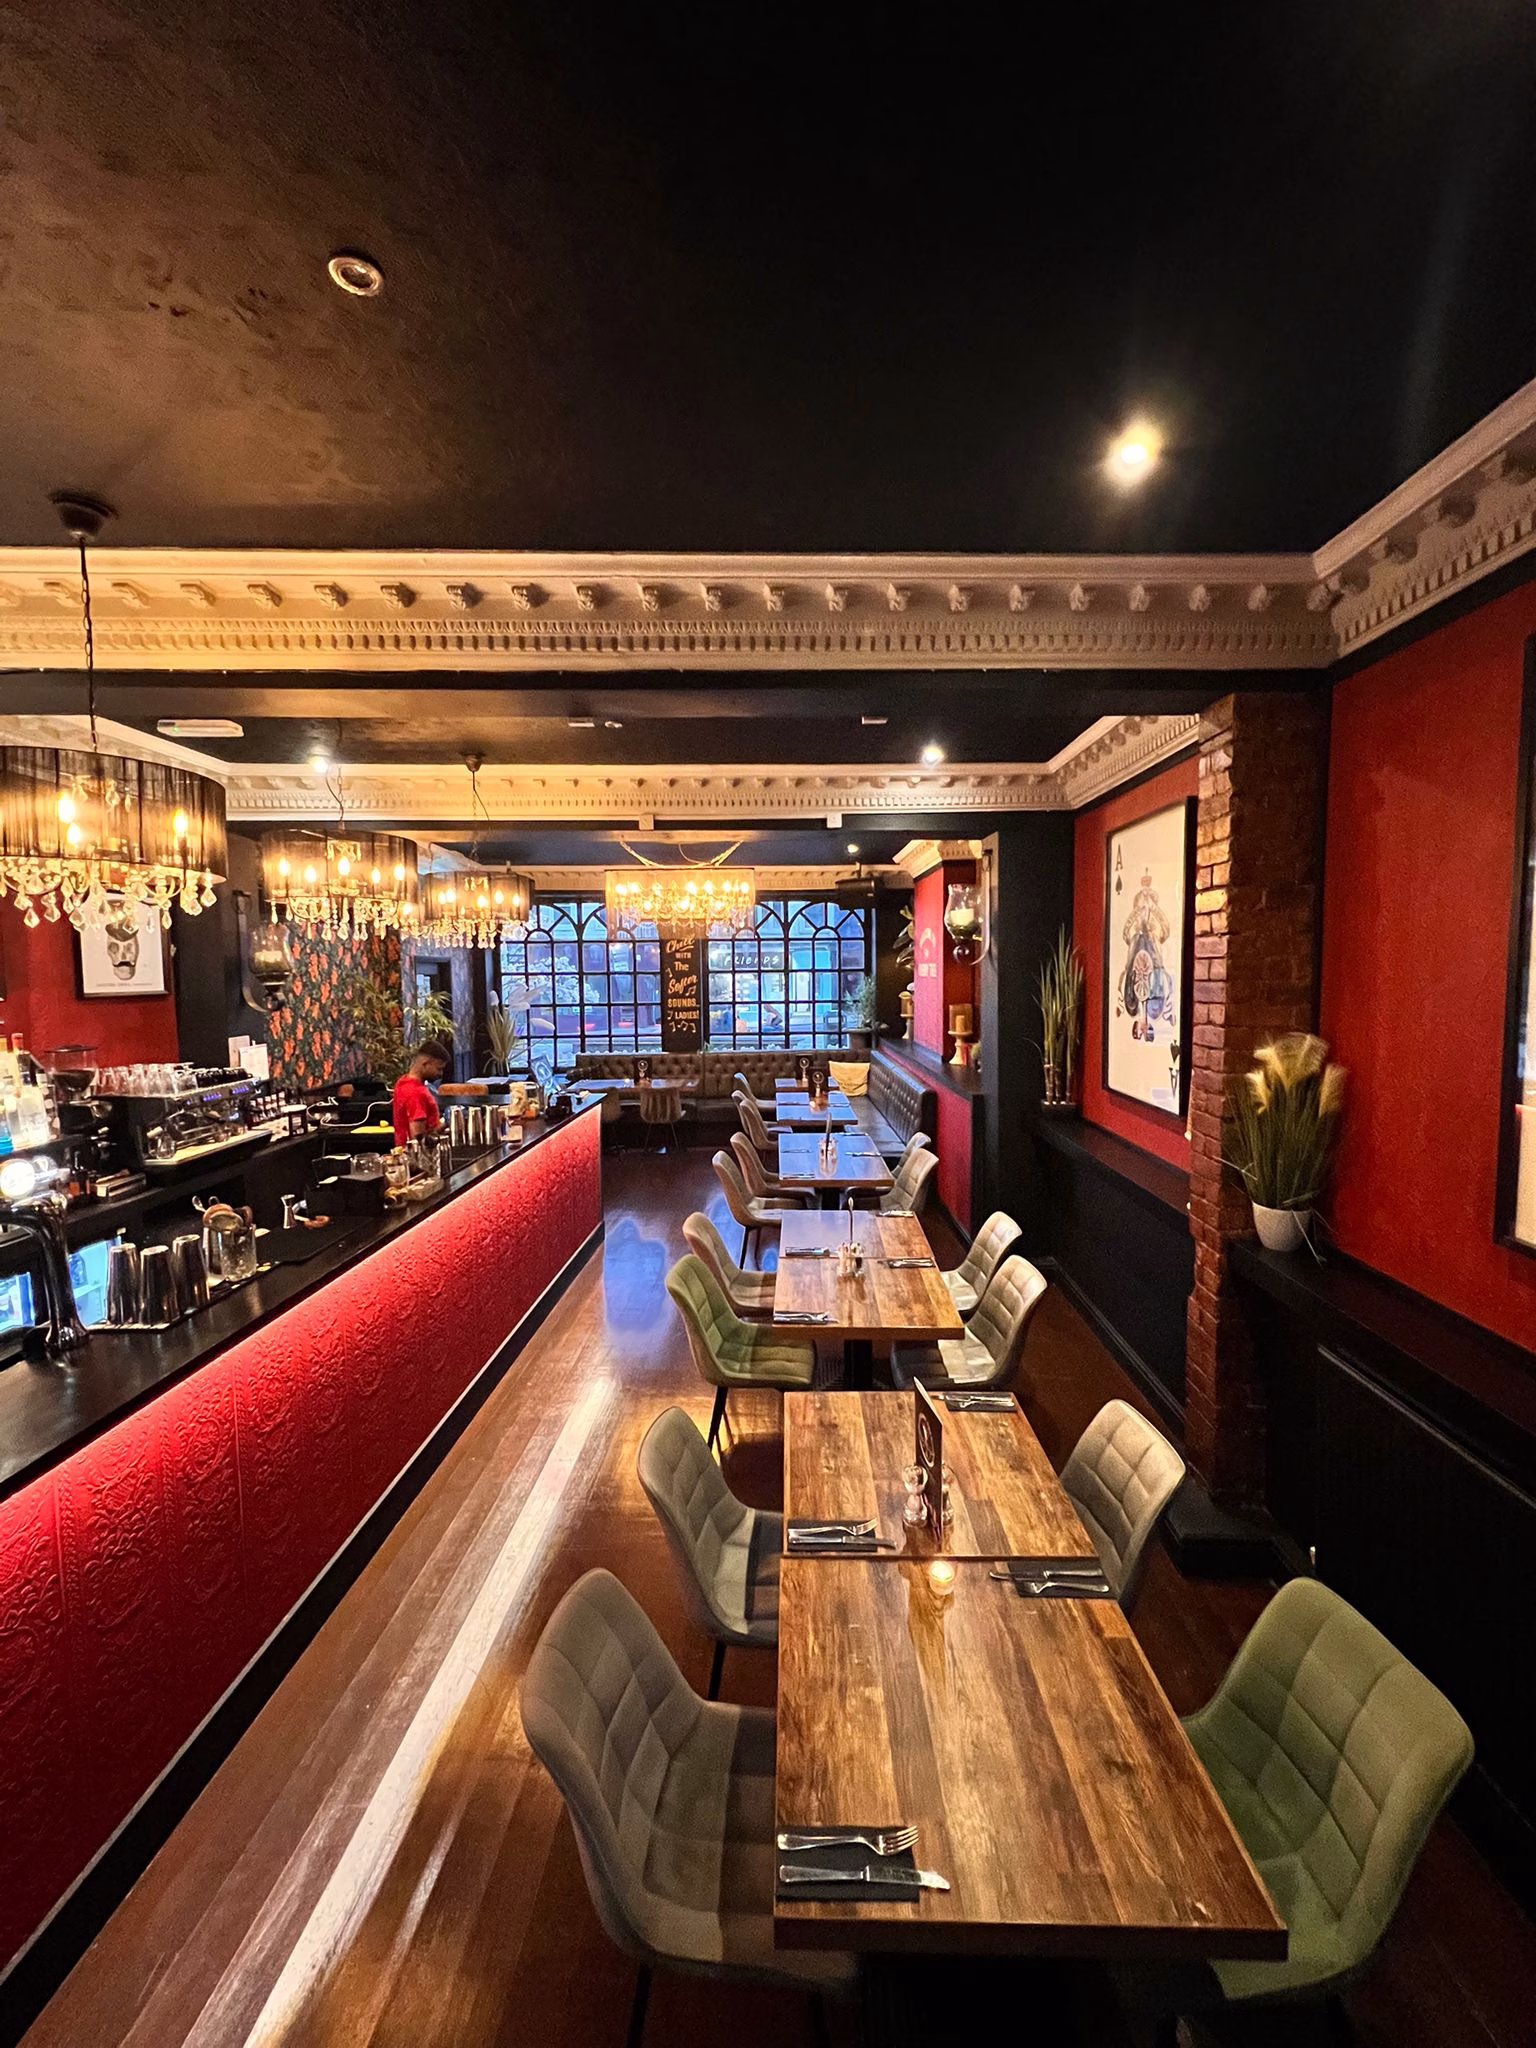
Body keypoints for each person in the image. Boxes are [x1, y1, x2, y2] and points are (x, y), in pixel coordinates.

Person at [392, 1040, 450, 1148]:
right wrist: (448, 1122)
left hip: (405, 1152)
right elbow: (419, 1140)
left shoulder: (403, 1082)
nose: (441, 1074)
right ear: (425, 1064)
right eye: (439, 1069)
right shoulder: (416, 1092)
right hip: (419, 1155)